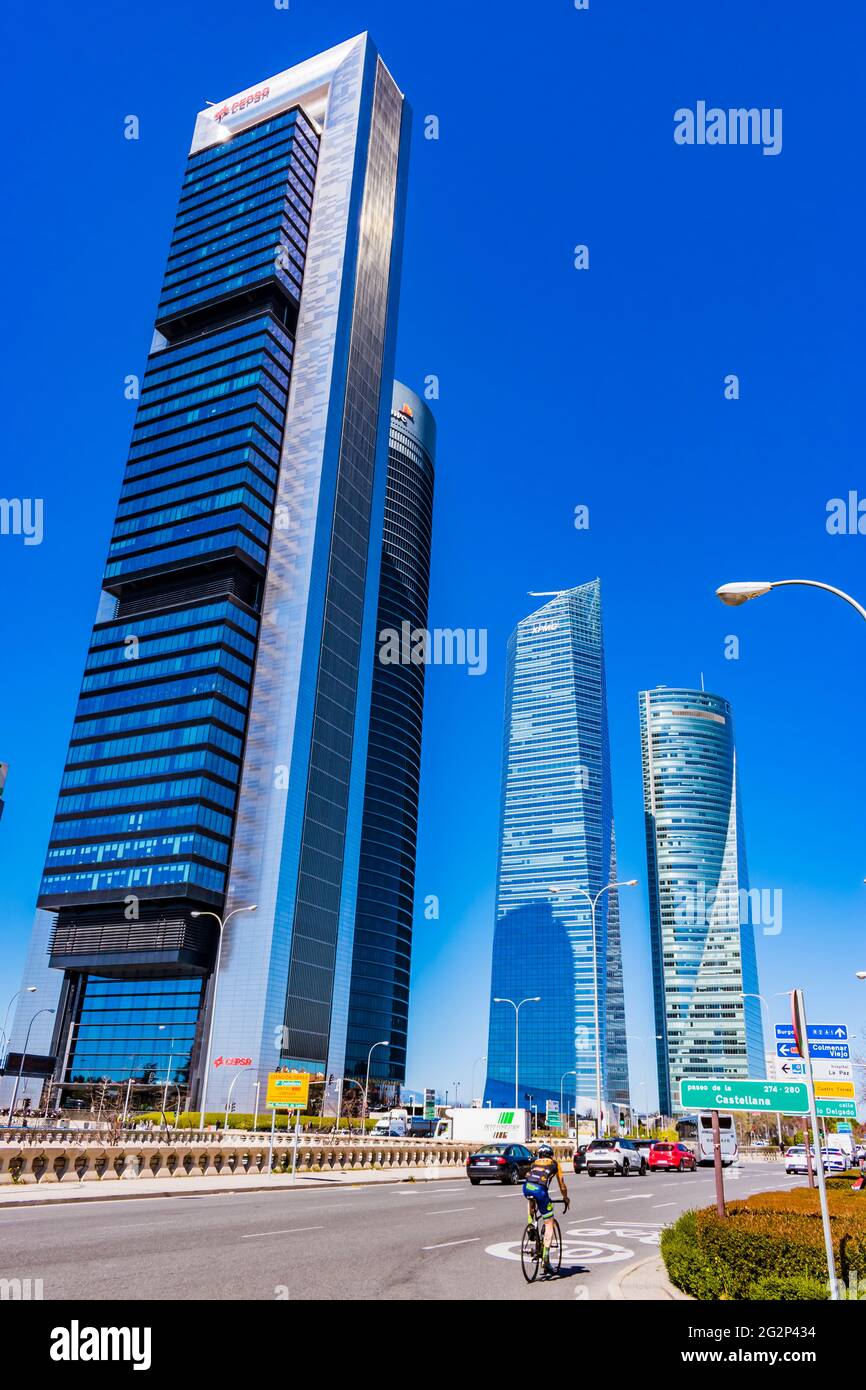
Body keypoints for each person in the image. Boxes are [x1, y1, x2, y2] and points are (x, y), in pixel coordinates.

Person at [523, 1142, 569, 1277]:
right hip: (541, 1190)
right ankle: (546, 1258)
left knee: (531, 1199)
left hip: (527, 1188)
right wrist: (565, 1198)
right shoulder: (555, 1164)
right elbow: (562, 1183)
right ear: (550, 1155)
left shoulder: (534, 1163)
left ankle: (531, 1224)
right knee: (549, 1222)